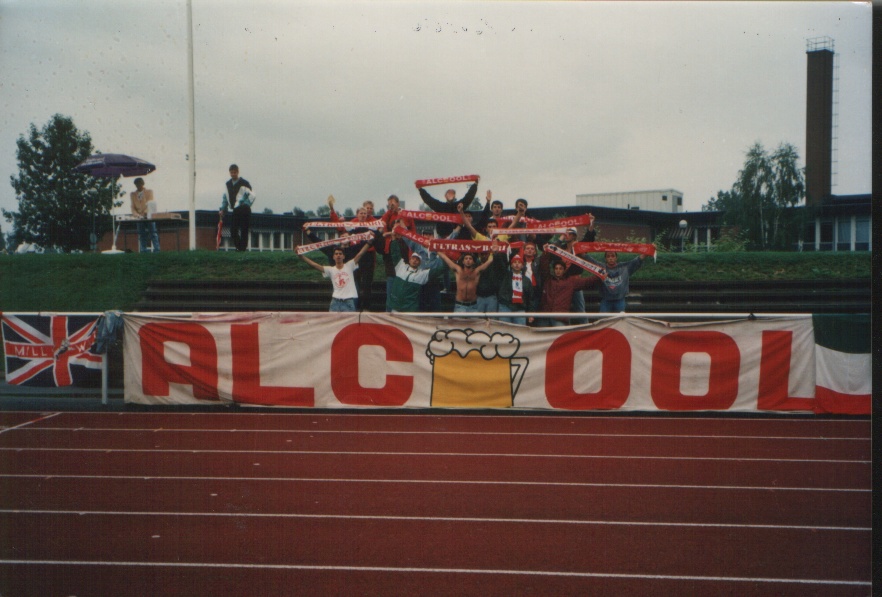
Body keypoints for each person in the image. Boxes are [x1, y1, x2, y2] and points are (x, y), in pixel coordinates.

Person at [297, 238, 373, 312]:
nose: (338, 255)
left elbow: (360, 254)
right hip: (335, 302)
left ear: (343, 256)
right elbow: (315, 265)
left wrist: (369, 243)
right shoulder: (331, 270)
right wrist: (301, 256)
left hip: (349, 301)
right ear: (333, 257)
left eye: (340, 254)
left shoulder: (349, 265)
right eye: (336, 254)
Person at [386, 235, 445, 312]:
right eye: (413, 258)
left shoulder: (422, 274)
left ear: (420, 263)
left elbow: (440, 270)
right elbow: (395, 253)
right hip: (395, 307)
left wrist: (443, 253)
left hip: (409, 310)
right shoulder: (401, 266)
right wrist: (393, 239)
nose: (414, 260)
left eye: (417, 260)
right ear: (409, 259)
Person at [537, 259, 597, 327]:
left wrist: (599, 277)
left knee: (561, 335)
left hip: (560, 317)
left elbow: (586, 281)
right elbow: (544, 266)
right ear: (553, 270)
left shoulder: (570, 281)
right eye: (556, 268)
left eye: (560, 269)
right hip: (545, 316)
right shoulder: (548, 280)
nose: (558, 271)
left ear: (564, 270)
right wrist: (546, 253)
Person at [582, 251, 647, 313]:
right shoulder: (601, 268)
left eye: (613, 256)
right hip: (606, 300)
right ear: (605, 258)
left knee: (620, 320)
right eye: (608, 256)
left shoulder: (624, 267)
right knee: (603, 320)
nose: (611, 258)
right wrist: (577, 249)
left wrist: (647, 252)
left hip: (620, 300)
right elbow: (590, 261)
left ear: (616, 257)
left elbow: (637, 261)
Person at [219, 164, 254, 251]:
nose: (233, 174)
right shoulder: (228, 184)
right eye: (231, 173)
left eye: (234, 172)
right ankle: (239, 247)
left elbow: (250, 195)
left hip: (244, 209)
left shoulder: (245, 183)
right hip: (235, 209)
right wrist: (223, 209)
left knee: (244, 229)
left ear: (238, 172)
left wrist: (245, 204)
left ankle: (242, 249)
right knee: (233, 230)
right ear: (229, 173)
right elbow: (225, 198)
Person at [495, 253, 535, 325]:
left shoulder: (527, 280)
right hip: (505, 306)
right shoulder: (505, 275)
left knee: (520, 332)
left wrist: (531, 313)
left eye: (519, 262)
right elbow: (499, 265)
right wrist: (496, 253)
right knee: (504, 332)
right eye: (515, 262)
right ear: (511, 265)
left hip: (520, 308)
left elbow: (531, 298)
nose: (517, 264)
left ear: (522, 266)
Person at [130, 177, 159, 253]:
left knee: (153, 233)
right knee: (141, 234)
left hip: (148, 215)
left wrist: (145, 214)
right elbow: (132, 207)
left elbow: (150, 203)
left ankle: (157, 249)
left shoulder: (149, 192)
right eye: (136, 184)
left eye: (139, 184)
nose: (138, 186)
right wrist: (137, 215)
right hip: (139, 217)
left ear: (143, 184)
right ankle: (143, 250)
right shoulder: (133, 194)